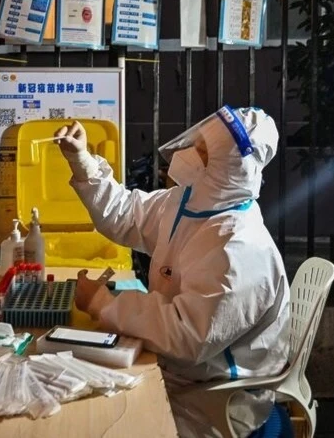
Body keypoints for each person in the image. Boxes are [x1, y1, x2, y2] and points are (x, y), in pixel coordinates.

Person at [54, 106, 291, 438]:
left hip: (217, 398)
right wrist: (83, 162)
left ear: (230, 168)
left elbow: (186, 336)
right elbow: (125, 215)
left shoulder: (239, 247)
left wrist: (103, 303)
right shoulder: (190, 205)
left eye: (205, 153)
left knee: (101, 423)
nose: (192, 155)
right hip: (180, 373)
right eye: (199, 145)